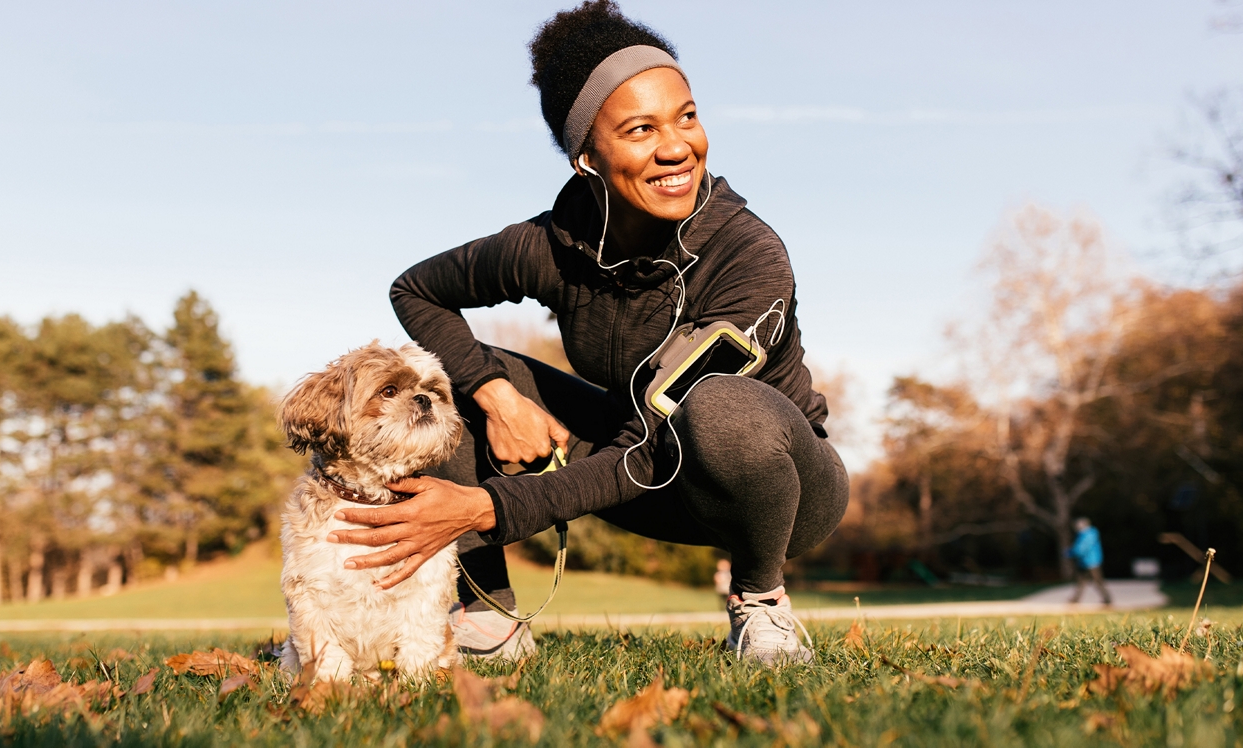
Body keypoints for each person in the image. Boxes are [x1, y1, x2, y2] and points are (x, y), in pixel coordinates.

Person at [325, 0, 850, 665]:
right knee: (453, 382)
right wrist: (495, 394)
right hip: (644, 478)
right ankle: (487, 619)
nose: (677, 146)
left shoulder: (750, 258)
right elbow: (418, 291)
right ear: (586, 158)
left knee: (721, 411)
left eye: (687, 116)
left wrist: (485, 507)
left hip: (778, 494)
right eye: (640, 129)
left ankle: (760, 602)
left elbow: (652, 439)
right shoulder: (551, 245)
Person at [1067, 517, 1112, 605]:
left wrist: (1071, 552)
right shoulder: (1084, 534)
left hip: (1092, 562)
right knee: (1081, 581)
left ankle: (1107, 598)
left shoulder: (1089, 534)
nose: (1077, 527)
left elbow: (1082, 548)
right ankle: (1075, 599)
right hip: (1084, 562)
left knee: (1097, 581)